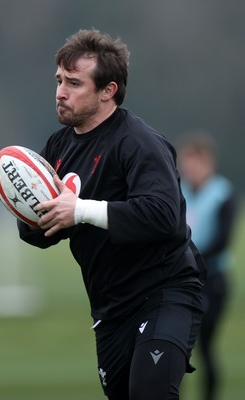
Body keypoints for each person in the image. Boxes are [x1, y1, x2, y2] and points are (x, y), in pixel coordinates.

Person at [17, 29, 206, 400]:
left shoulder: (139, 143)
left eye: (74, 83)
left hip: (165, 293)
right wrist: (23, 207)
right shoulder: (59, 145)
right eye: (59, 81)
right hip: (110, 310)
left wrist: (81, 210)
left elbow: (163, 216)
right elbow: (41, 233)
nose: (60, 92)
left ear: (108, 91)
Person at [177, 132, 236, 400]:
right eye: (186, 163)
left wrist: (190, 255)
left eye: (195, 162)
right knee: (175, 346)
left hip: (213, 279)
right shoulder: (179, 191)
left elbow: (223, 240)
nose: (190, 169)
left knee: (206, 347)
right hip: (183, 278)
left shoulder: (222, 194)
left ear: (208, 162)